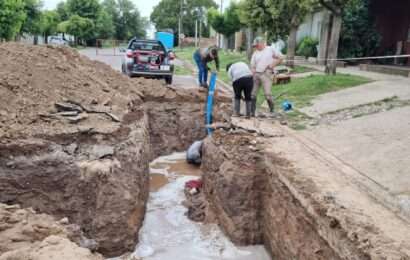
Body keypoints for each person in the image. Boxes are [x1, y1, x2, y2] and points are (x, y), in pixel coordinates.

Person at [250, 37, 284, 116]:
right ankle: (252, 111)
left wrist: (272, 65)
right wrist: (253, 71)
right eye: (255, 46)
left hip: (266, 73)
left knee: (267, 94)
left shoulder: (270, 49)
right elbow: (252, 65)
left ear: (262, 43)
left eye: (257, 45)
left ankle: (272, 110)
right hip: (257, 74)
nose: (256, 47)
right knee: (253, 94)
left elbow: (281, 57)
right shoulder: (255, 53)